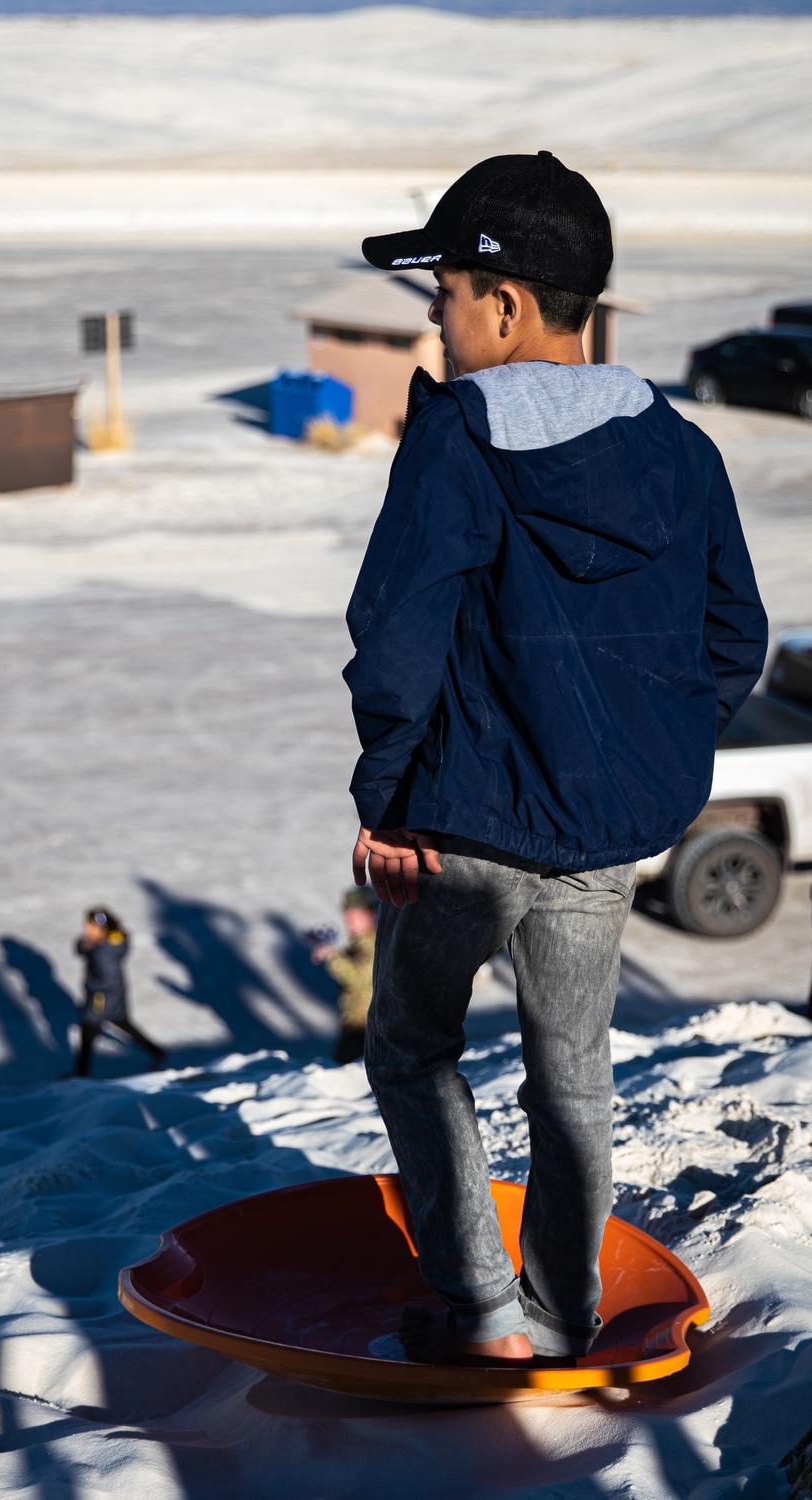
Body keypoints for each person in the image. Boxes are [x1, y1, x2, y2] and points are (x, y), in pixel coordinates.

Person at [343, 152, 767, 1366]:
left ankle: (480, 1310)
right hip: (605, 835)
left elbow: (397, 633)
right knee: (572, 1072)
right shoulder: (680, 447)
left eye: (444, 296)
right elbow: (732, 633)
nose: (434, 318)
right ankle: (563, 1309)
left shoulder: (459, 442)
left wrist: (383, 793)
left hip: (460, 830)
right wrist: (651, 744)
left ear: (507, 302)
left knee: (414, 1046)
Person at [73, 908, 165, 1078]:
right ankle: (156, 1051)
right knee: (121, 1022)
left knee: (89, 1030)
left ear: (99, 927)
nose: (85, 928)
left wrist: (92, 987)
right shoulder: (103, 944)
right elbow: (81, 949)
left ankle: (81, 1074)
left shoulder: (104, 951)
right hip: (112, 994)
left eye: (88, 925)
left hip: (101, 997)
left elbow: (109, 978)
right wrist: (87, 944)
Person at [310, 888, 379, 1064]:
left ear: (371, 914)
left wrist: (333, 957)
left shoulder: (374, 942)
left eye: (356, 915)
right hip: (358, 1023)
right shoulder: (359, 942)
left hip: (366, 1025)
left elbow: (360, 977)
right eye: (348, 915)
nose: (350, 921)